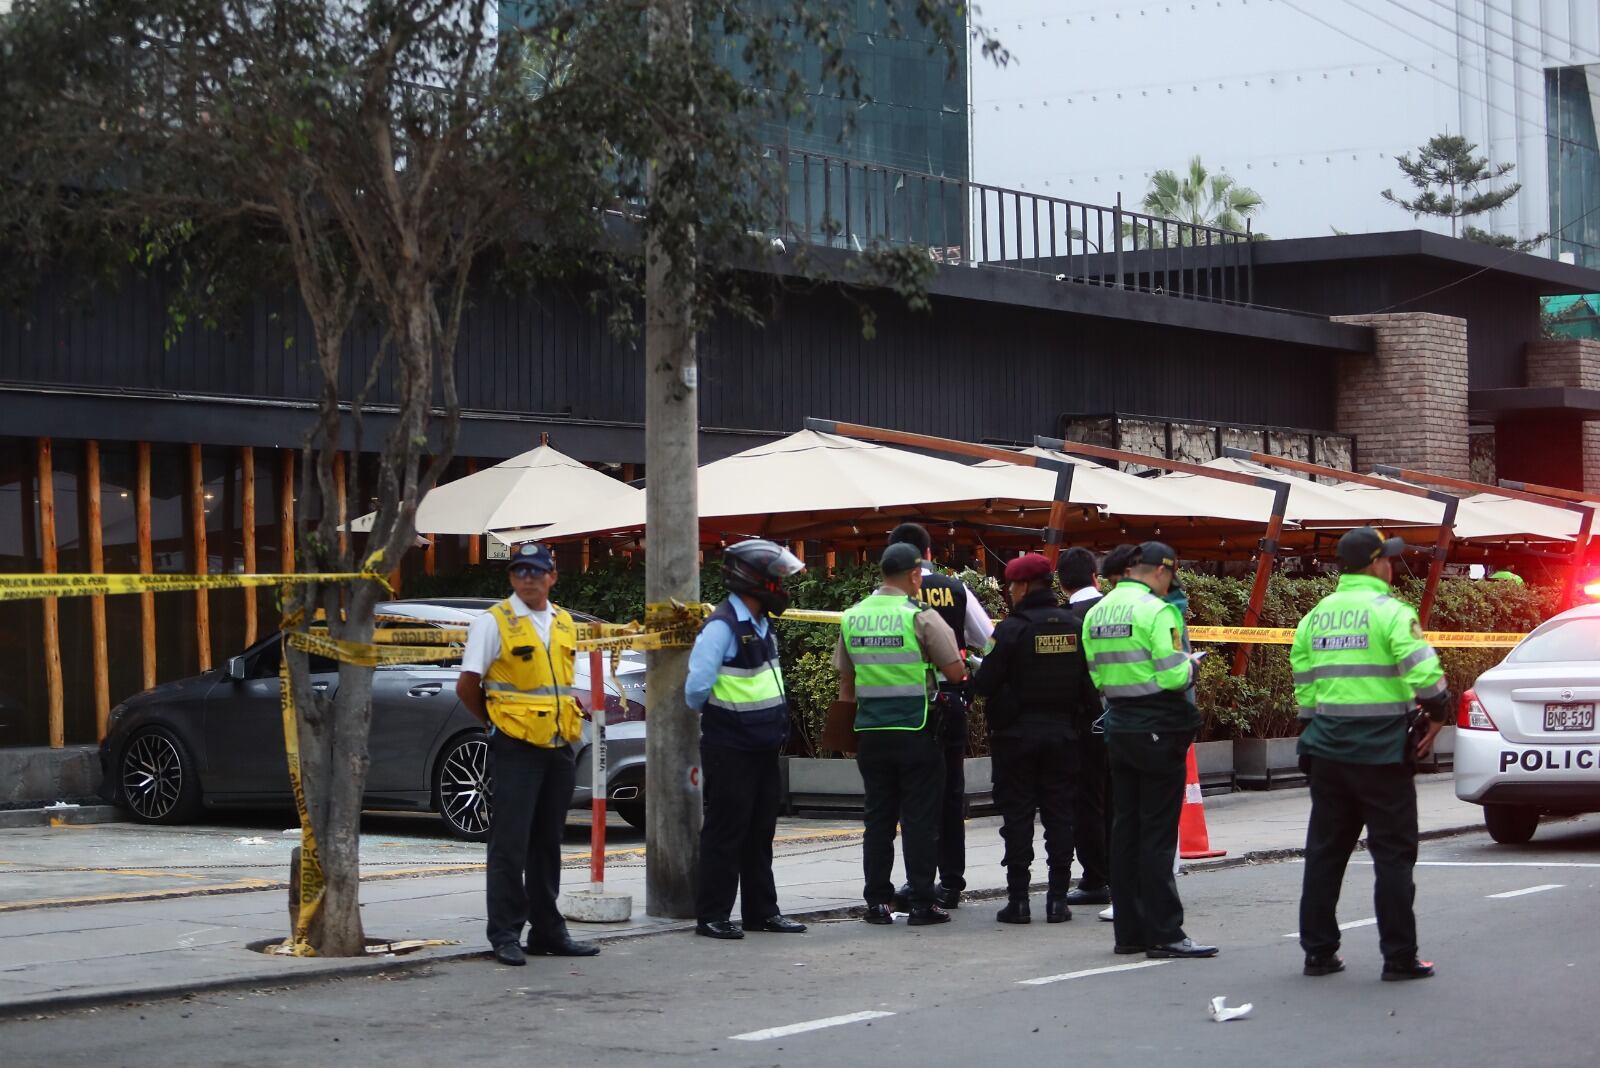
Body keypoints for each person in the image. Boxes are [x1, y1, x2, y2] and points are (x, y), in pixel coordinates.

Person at [1293, 527, 1450, 982]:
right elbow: (1424, 673)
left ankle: (1318, 952)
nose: (1392, 567)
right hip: (1382, 755)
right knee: (1393, 856)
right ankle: (1399, 957)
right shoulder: (1392, 613)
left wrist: (1315, 733)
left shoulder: (1315, 617)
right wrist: (1438, 712)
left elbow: (1305, 689)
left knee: (1324, 854)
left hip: (1327, 752)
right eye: (1389, 559)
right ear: (1375, 564)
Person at [456, 542, 600, 966]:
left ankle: (547, 931)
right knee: (509, 845)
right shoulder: (493, 622)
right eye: (520, 571)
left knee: (547, 844)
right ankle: (505, 934)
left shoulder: (563, 622)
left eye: (536, 571)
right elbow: (467, 685)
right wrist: (494, 723)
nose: (528, 579)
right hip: (515, 745)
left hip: (558, 745)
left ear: (552, 577)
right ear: (511, 577)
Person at [1081, 542, 1217, 960]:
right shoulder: (1158, 611)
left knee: (1125, 831)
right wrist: (1192, 664)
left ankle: (1130, 933)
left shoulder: (1097, 612)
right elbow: (1174, 676)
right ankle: (1165, 932)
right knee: (1157, 834)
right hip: (1158, 726)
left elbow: (1095, 673)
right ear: (1161, 571)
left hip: (1120, 726)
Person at [684, 539, 810, 940]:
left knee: (760, 832)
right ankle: (712, 916)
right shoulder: (722, 626)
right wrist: (730, 719)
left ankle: (762, 912)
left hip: (763, 745)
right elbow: (695, 689)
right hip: (730, 747)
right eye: (777, 580)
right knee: (725, 831)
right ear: (754, 580)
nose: (782, 588)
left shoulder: (761, 624)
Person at [835, 542, 967, 926]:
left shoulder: (853, 617)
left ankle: (877, 903)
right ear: (914, 575)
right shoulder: (920, 616)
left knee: (877, 819)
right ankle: (923, 903)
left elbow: (846, 684)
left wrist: (844, 736)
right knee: (919, 819)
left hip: (871, 733)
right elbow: (955, 671)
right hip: (915, 729)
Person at [974, 553, 1099, 924]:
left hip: (1016, 738)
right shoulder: (1075, 626)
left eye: (1012, 585)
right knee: (1060, 816)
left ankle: (1018, 901)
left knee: (1018, 817)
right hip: (1064, 735)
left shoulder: (1010, 630)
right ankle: (1058, 901)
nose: (1010, 592)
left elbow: (985, 683)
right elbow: (1090, 685)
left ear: (1024, 586)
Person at [886, 522, 994, 911]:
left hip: (903, 708)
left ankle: (919, 881)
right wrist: (975, 670)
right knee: (950, 794)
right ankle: (950, 883)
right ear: (929, 552)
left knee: (913, 797)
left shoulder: (885, 599)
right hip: (951, 701)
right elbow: (988, 639)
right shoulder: (955, 589)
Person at [1057, 546, 1112, 910]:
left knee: (1085, 802)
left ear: (1062, 584)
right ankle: (1122, 873)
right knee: (1118, 799)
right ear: (1096, 576)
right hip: (1123, 717)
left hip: (1079, 722)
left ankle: (1095, 877)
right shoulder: (1115, 610)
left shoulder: (1064, 619)